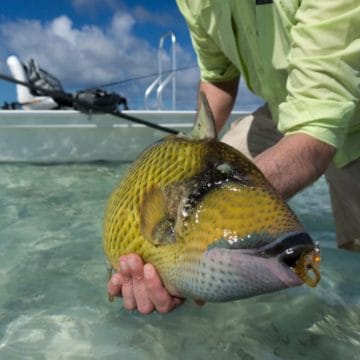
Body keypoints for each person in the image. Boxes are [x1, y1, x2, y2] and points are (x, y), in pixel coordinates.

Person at [108, 0, 360, 314]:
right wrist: (189, 155)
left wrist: (213, 213)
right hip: (282, 107)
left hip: (352, 106)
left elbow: (317, 129)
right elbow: (217, 77)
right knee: (213, 170)